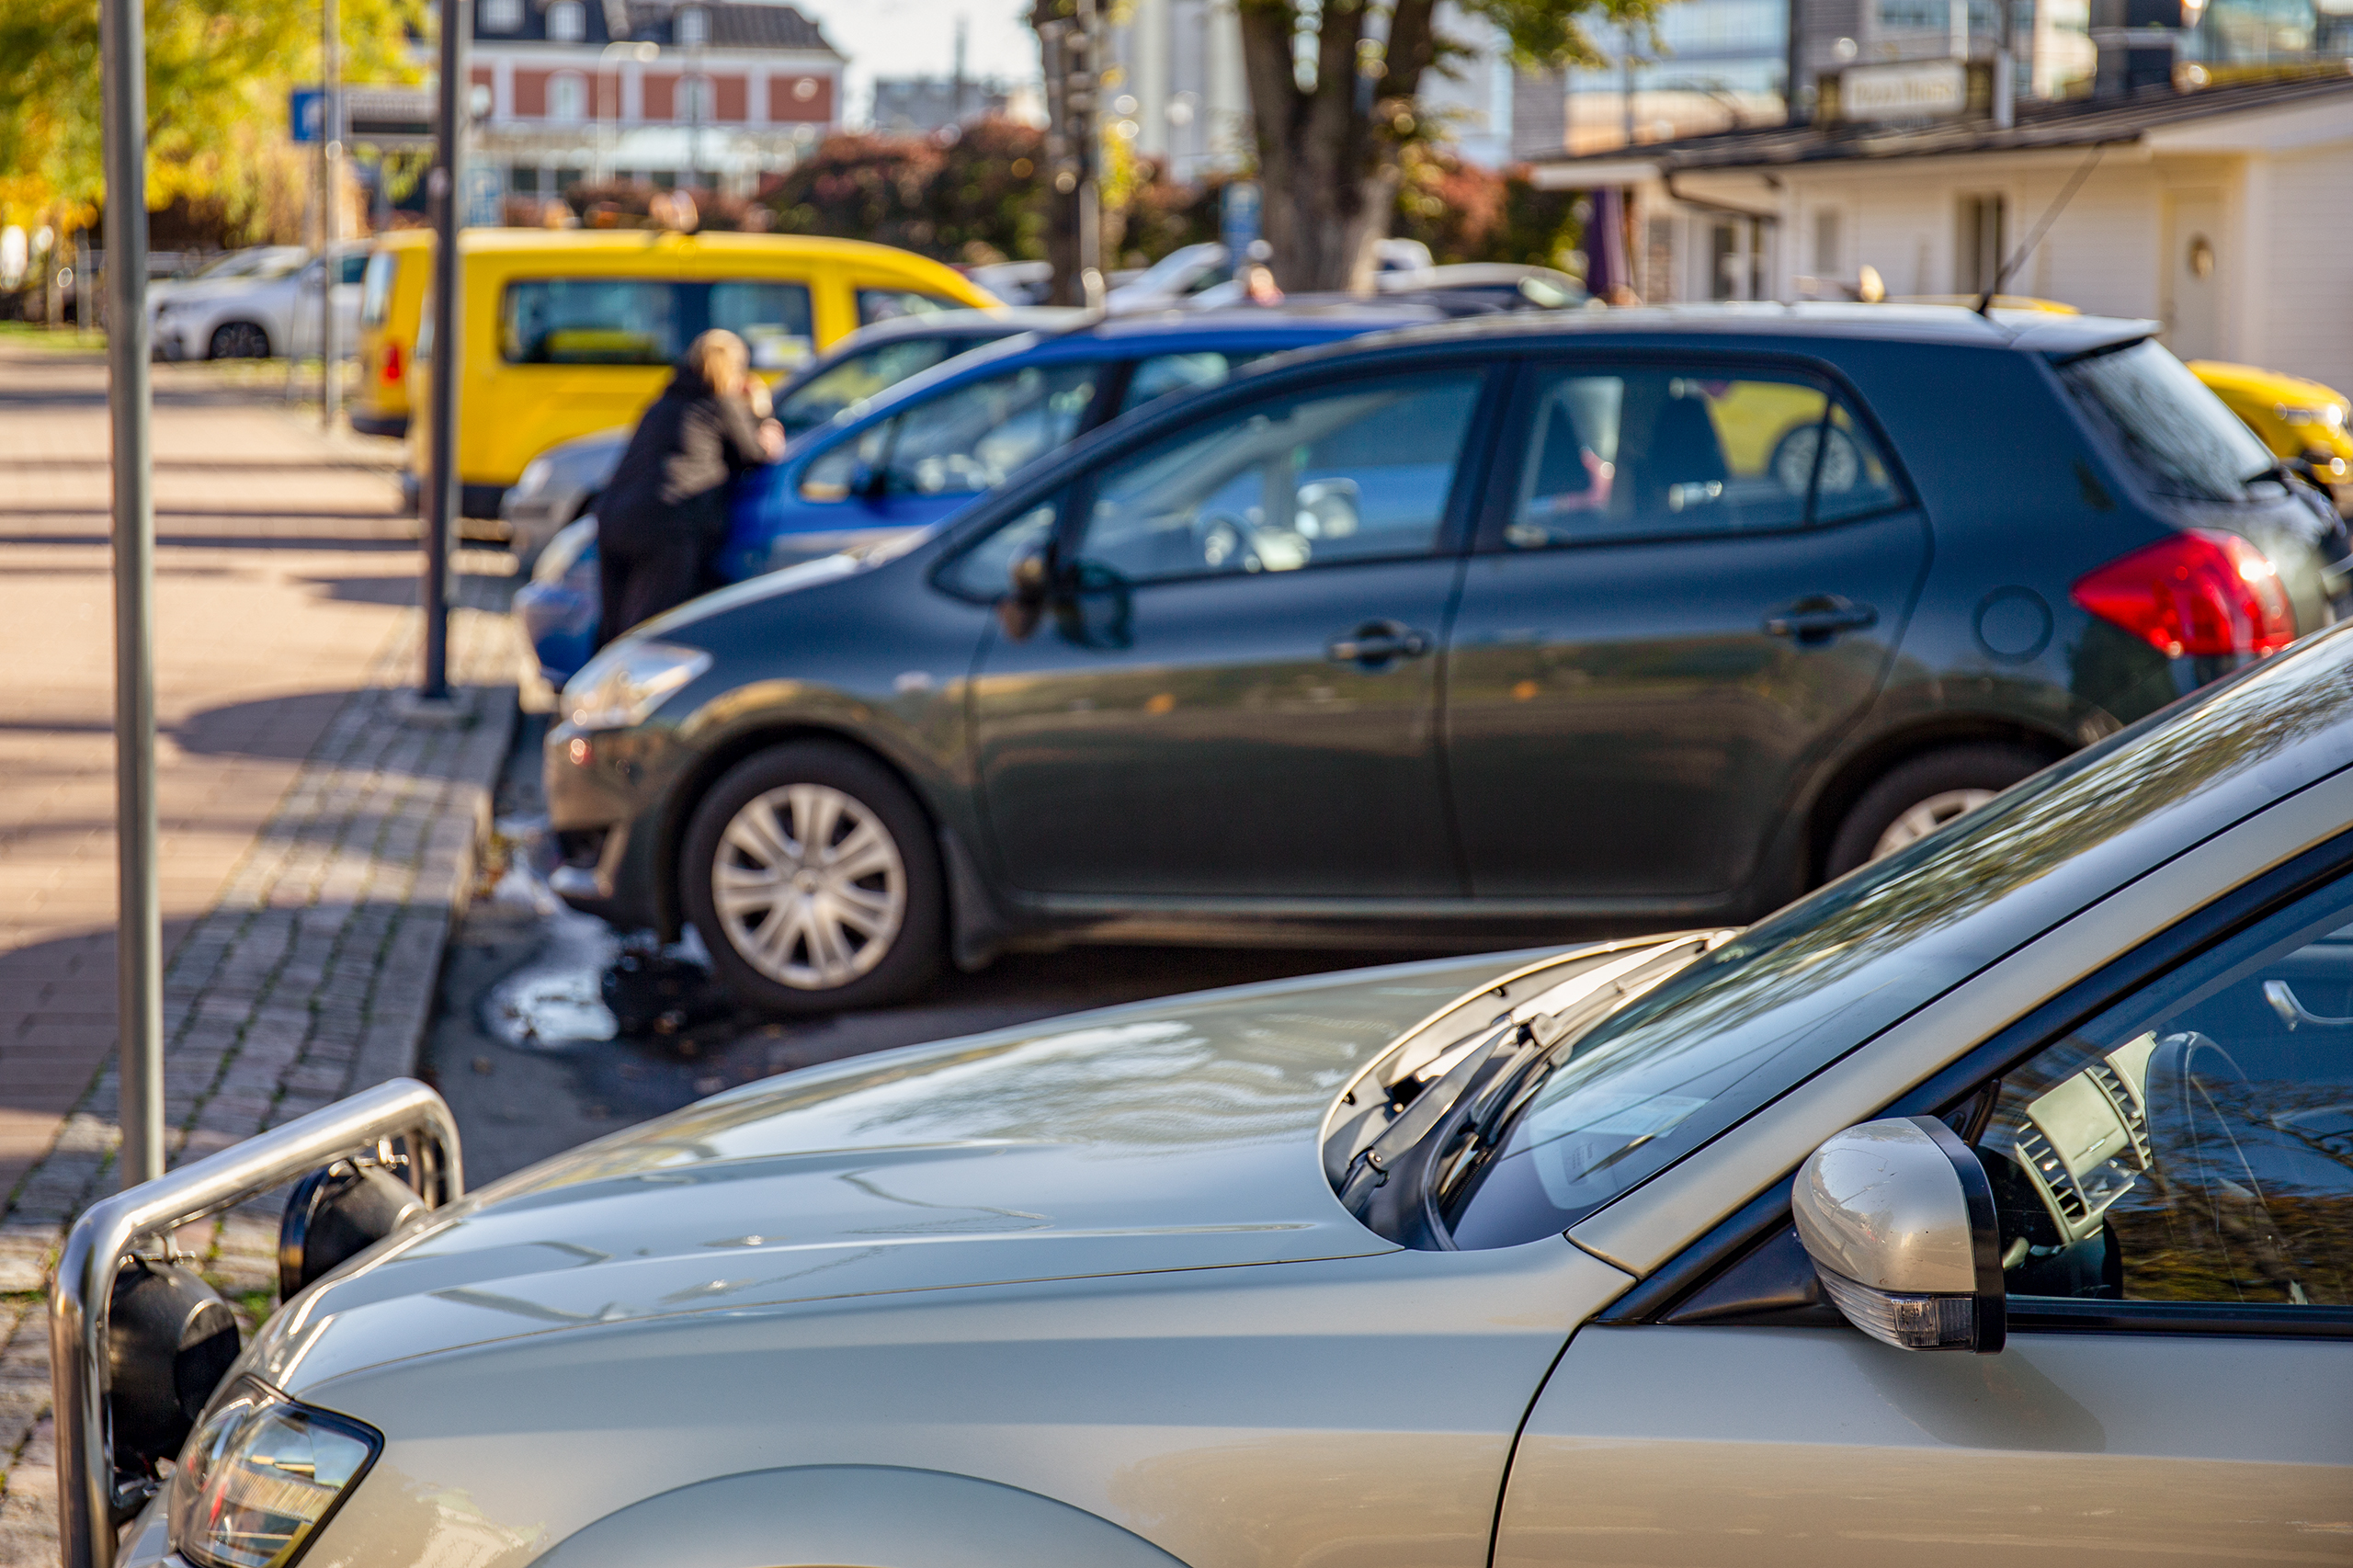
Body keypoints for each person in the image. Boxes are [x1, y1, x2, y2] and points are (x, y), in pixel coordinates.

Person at [596, 329, 783, 647]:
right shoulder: (721, 403)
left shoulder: (663, 402)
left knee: (613, 627)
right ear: (735, 368)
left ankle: (592, 690)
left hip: (613, 517)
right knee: (652, 626)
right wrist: (762, 411)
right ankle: (633, 694)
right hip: (668, 521)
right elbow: (756, 454)